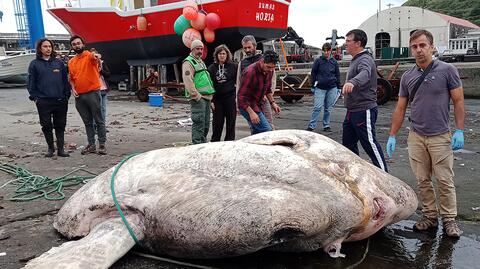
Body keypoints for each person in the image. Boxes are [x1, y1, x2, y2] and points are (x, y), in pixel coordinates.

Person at [386, 29, 465, 238]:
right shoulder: (407, 77)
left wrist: (459, 130)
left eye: (423, 45)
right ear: (411, 49)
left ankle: (449, 219)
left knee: (445, 180)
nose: (419, 50)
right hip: (416, 136)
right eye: (415, 47)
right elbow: (401, 108)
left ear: (431, 46)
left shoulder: (447, 70)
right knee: (422, 180)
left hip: (440, 135)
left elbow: (458, 101)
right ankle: (430, 216)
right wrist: (392, 135)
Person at [341, 29, 387, 172]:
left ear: (358, 43)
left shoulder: (365, 59)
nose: (345, 44)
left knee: (369, 143)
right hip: (352, 110)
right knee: (348, 144)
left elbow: (365, 74)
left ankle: (385, 175)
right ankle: (355, 172)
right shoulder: (356, 59)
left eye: (348, 41)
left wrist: (353, 82)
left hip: (363, 109)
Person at [27, 38, 71, 157]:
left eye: (50, 47)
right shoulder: (34, 64)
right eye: (45, 46)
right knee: (46, 125)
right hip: (43, 101)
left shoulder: (59, 63)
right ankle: (50, 148)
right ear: (40, 49)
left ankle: (61, 149)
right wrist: (35, 97)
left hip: (60, 100)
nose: (48, 49)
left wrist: (66, 95)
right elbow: (31, 82)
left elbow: (65, 81)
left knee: (60, 125)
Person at [68, 35, 107, 155]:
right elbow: (71, 78)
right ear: (72, 47)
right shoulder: (71, 62)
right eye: (74, 44)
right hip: (79, 96)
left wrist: (97, 56)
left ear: (83, 44)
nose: (77, 45)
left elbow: (95, 57)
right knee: (87, 122)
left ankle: (102, 144)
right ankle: (91, 145)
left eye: (78, 43)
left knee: (99, 120)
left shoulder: (89, 56)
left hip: (93, 93)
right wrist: (72, 89)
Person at [236, 35, 277, 128]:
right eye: (245, 48)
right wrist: (237, 101)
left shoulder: (265, 60)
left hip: (263, 98)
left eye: (249, 47)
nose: (247, 50)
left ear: (255, 46)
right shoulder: (242, 63)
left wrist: (270, 99)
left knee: (269, 123)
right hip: (249, 101)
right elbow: (239, 82)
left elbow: (272, 80)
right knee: (254, 125)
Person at [237, 50, 281, 134]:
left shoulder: (270, 71)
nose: (271, 70)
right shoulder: (250, 72)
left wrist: (273, 103)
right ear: (262, 62)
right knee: (267, 130)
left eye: (273, 67)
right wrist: (251, 113)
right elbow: (241, 97)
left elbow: (268, 89)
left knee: (257, 132)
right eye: (268, 67)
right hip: (246, 105)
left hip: (257, 103)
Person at [182, 39, 215, 144]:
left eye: (201, 48)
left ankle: (202, 142)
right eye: (197, 49)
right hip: (199, 98)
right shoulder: (188, 62)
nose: (200, 51)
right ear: (192, 49)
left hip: (206, 97)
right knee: (199, 122)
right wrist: (196, 95)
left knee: (205, 124)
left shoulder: (200, 62)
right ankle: (197, 143)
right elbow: (188, 80)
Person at [306, 42, 341, 132]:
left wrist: (339, 87)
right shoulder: (318, 61)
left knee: (328, 108)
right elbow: (313, 73)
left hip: (332, 88)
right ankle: (311, 125)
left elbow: (337, 74)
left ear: (330, 51)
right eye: (324, 51)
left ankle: (326, 125)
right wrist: (313, 85)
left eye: (327, 50)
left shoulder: (334, 62)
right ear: (322, 51)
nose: (326, 52)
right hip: (320, 88)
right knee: (317, 107)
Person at [207, 44, 238, 141]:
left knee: (231, 122)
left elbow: (239, 81)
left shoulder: (234, 66)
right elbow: (209, 85)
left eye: (224, 54)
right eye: (220, 54)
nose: (222, 56)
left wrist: (238, 97)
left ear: (227, 55)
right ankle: (215, 142)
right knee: (217, 123)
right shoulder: (211, 68)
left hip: (230, 98)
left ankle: (229, 142)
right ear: (216, 55)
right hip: (217, 100)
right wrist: (211, 100)